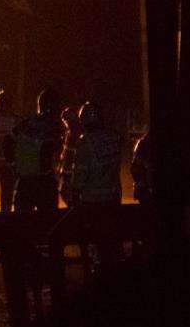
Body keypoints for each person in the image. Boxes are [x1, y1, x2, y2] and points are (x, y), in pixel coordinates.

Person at [71, 101, 123, 266]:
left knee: (97, 243)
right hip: (113, 199)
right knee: (112, 242)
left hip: (92, 203)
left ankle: (99, 276)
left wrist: (74, 193)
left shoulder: (85, 142)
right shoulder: (114, 138)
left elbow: (80, 173)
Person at [12, 86, 65, 212]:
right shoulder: (53, 125)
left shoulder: (25, 123)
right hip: (44, 181)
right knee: (47, 224)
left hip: (24, 182)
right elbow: (54, 149)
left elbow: (9, 142)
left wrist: (15, 166)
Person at [58, 105, 81, 207]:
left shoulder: (76, 133)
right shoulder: (69, 133)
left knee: (68, 193)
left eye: (66, 121)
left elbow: (71, 154)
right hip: (68, 171)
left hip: (72, 171)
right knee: (65, 193)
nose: (65, 124)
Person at [130, 130, 151, 203]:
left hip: (143, 188)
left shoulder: (142, 143)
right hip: (144, 189)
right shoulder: (143, 144)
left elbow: (133, 167)